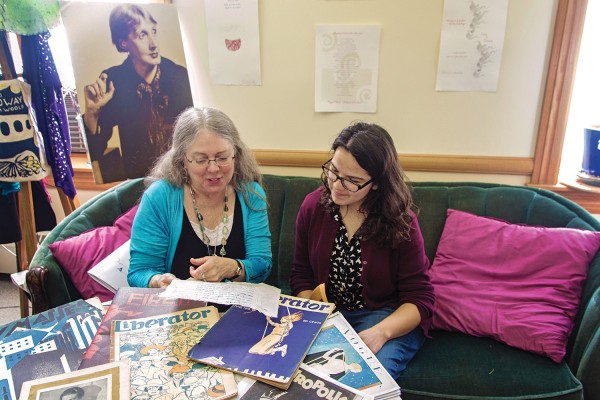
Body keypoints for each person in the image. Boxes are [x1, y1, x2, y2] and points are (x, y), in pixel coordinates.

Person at [290, 122, 434, 379]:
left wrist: (381, 332)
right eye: (333, 171)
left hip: (383, 316)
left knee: (365, 379)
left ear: (377, 183)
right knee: (296, 373)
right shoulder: (314, 207)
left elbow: (419, 299)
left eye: (352, 181)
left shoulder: (401, 222)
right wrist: (315, 315)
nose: (336, 185)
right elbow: (301, 274)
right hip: (328, 312)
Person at [128, 107, 272, 290]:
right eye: (201, 160)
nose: (213, 168)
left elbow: (263, 266)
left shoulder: (250, 193)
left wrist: (233, 268)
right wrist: (157, 280)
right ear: (182, 160)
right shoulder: (160, 197)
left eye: (222, 157)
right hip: (179, 312)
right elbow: (139, 272)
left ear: (236, 155)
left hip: (237, 310)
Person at [83, 4, 193, 181]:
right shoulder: (113, 80)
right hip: (136, 186)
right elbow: (97, 152)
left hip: (179, 181)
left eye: (154, 31)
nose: (153, 44)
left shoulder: (179, 76)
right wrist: (93, 113)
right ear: (123, 42)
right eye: (142, 34)